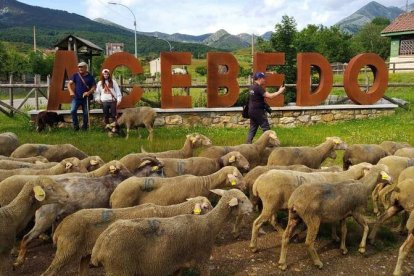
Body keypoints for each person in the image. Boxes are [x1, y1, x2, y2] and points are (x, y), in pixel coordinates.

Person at [246, 72, 285, 144]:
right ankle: (270, 145)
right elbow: (270, 96)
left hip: (251, 110)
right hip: (258, 112)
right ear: (260, 79)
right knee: (266, 129)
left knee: (252, 128)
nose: (265, 80)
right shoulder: (258, 88)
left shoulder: (252, 87)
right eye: (263, 78)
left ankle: (247, 145)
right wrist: (280, 91)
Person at [68, 61, 96, 131]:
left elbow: (94, 87)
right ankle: (76, 126)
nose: (79, 68)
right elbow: (69, 84)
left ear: (86, 68)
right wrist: (71, 91)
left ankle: (84, 127)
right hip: (76, 97)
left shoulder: (90, 77)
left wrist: (88, 92)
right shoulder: (75, 75)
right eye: (79, 67)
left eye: (81, 67)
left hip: (86, 98)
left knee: (86, 113)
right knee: (73, 111)